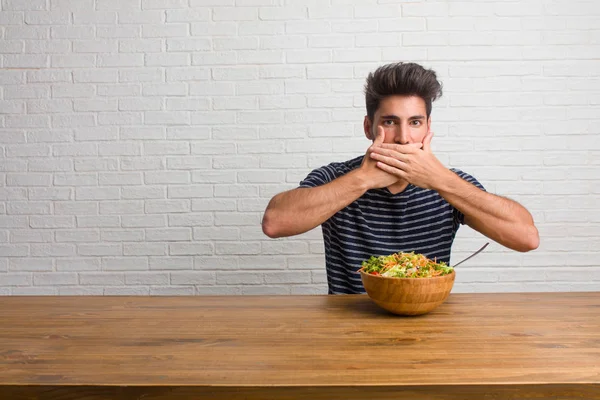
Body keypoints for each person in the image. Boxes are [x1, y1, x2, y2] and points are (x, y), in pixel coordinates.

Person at [261, 62, 539, 294]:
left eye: (415, 122)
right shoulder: (337, 177)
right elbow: (275, 223)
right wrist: (363, 180)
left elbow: (526, 238)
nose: (404, 138)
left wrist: (440, 180)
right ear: (369, 127)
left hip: (425, 320)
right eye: (390, 122)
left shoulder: (452, 185)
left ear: (428, 127)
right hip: (348, 327)